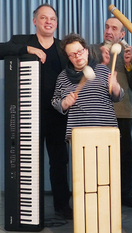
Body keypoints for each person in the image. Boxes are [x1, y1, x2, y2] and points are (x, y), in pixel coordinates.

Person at [0, 4, 72, 219]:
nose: (48, 22)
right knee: (28, 161)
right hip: (28, 115)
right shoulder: (23, 41)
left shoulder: (63, 48)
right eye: (43, 18)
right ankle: (28, 208)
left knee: (59, 162)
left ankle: (62, 206)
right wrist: (27, 50)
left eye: (52, 19)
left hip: (57, 115)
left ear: (56, 23)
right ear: (35, 21)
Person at [89, 17, 132, 208]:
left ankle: (124, 194)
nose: (109, 31)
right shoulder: (92, 50)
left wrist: (129, 64)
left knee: (125, 155)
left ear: (122, 34)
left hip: (123, 111)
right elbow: (85, 78)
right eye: (106, 27)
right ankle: (99, 193)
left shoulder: (128, 53)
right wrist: (100, 63)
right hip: (98, 112)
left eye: (114, 28)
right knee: (99, 155)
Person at [51, 33, 124, 139]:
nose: (77, 56)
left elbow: (118, 97)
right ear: (68, 57)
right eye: (72, 54)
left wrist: (115, 87)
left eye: (80, 51)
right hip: (78, 134)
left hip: (106, 131)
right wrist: (64, 103)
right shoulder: (63, 77)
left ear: (86, 50)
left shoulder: (102, 70)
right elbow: (54, 101)